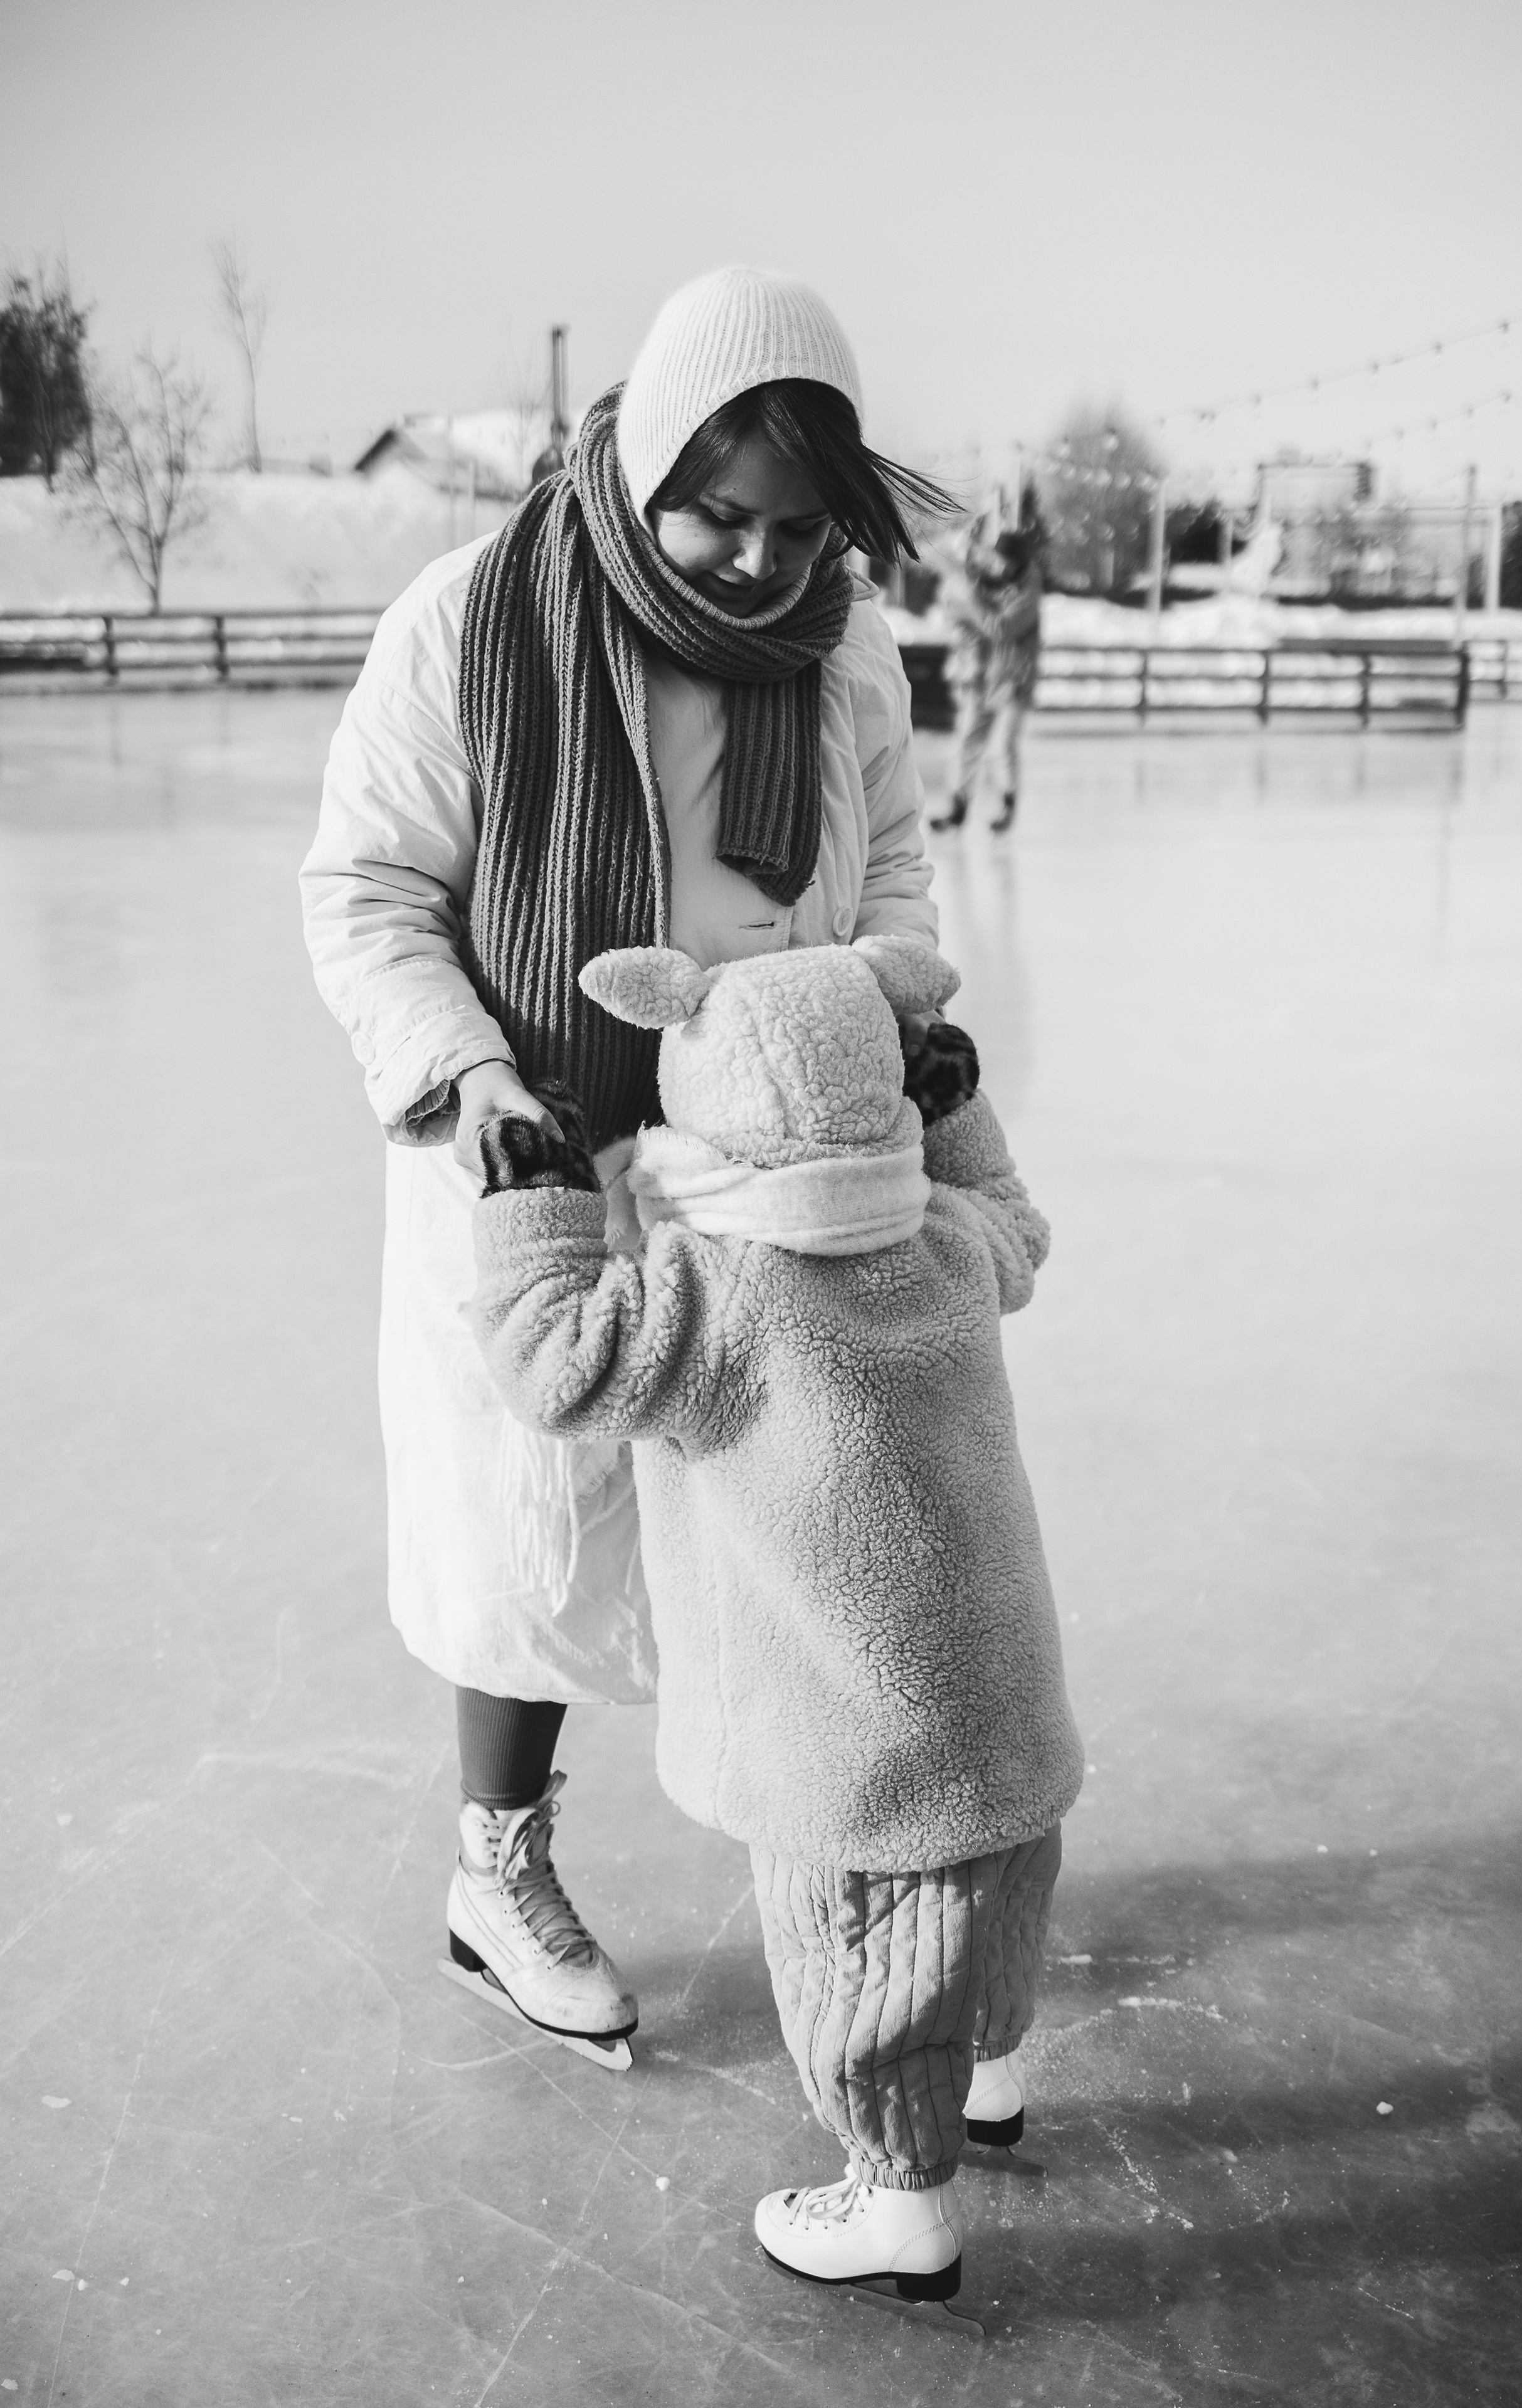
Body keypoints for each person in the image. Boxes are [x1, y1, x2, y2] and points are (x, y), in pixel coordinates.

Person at [300, 268, 951, 2064]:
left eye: (797, 528)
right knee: (534, 1539)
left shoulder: (850, 659)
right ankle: (495, 1871)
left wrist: (885, 1008)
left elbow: (892, 876)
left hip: (768, 1175)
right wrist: (465, 1077)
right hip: (539, 1162)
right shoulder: (469, 623)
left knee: (803, 1543)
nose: (756, 563)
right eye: (719, 514)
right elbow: (367, 895)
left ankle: (857, 1871)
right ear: (648, 457)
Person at [470, 932, 1082, 2306]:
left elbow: (554, 1363)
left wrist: (539, 1202)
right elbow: (1019, 1223)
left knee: (863, 1964)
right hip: (1001, 1700)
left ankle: (899, 2207)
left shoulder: (719, 1290)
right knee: (986, 1910)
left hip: (845, 1749)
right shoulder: (940, 1240)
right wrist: (953, 1113)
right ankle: (990, 2082)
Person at [928, 524, 1043, 835]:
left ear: (1017, 562)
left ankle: (1007, 804)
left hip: (1015, 680)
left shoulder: (1028, 591)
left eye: (1003, 560)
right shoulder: (999, 581)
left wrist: (971, 598)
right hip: (987, 676)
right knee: (968, 740)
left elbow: (1000, 628)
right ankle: (958, 806)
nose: (998, 565)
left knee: (1003, 746)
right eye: (996, 559)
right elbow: (965, 579)